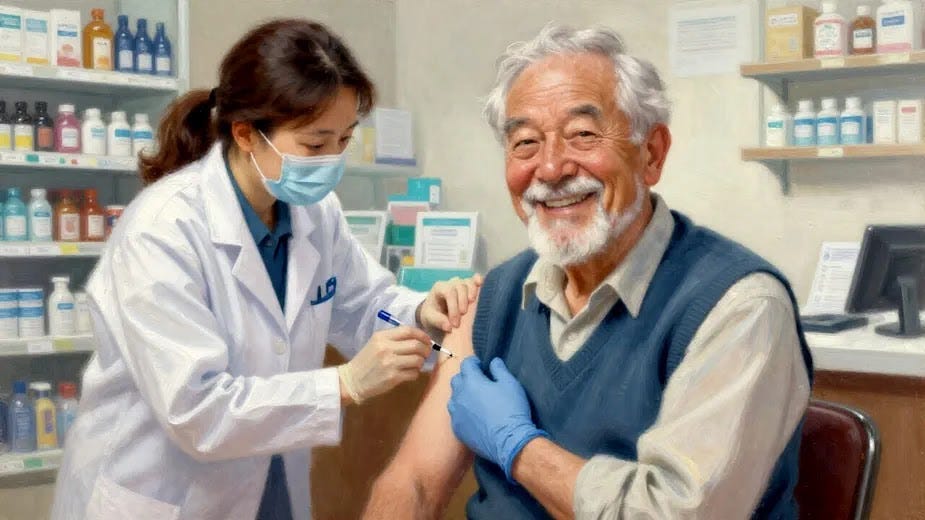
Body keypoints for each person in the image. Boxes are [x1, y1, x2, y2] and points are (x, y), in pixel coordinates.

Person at [365, 24, 813, 519]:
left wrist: (518, 446)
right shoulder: (495, 298)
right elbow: (414, 482)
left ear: (652, 154)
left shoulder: (738, 307)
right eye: (526, 143)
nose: (552, 168)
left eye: (583, 135)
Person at [51, 19, 480, 520]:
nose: (332, 160)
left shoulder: (315, 215)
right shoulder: (163, 229)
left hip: (267, 482)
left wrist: (423, 314)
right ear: (246, 134)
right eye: (316, 145)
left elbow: (368, 308)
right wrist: (345, 384)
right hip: (166, 493)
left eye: (344, 139)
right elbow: (198, 411)